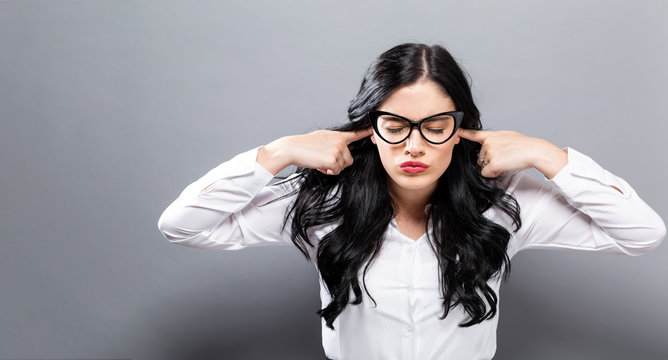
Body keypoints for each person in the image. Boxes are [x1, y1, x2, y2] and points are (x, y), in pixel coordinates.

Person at [157, 42, 665, 360]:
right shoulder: (322, 203)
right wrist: (277, 153)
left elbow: (643, 234)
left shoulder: (506, 206)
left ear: (460, 128)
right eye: (395, 125)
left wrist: (549, 156)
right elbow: (182, 225)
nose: (415, 145)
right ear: (369, 129)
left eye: (435, 126)